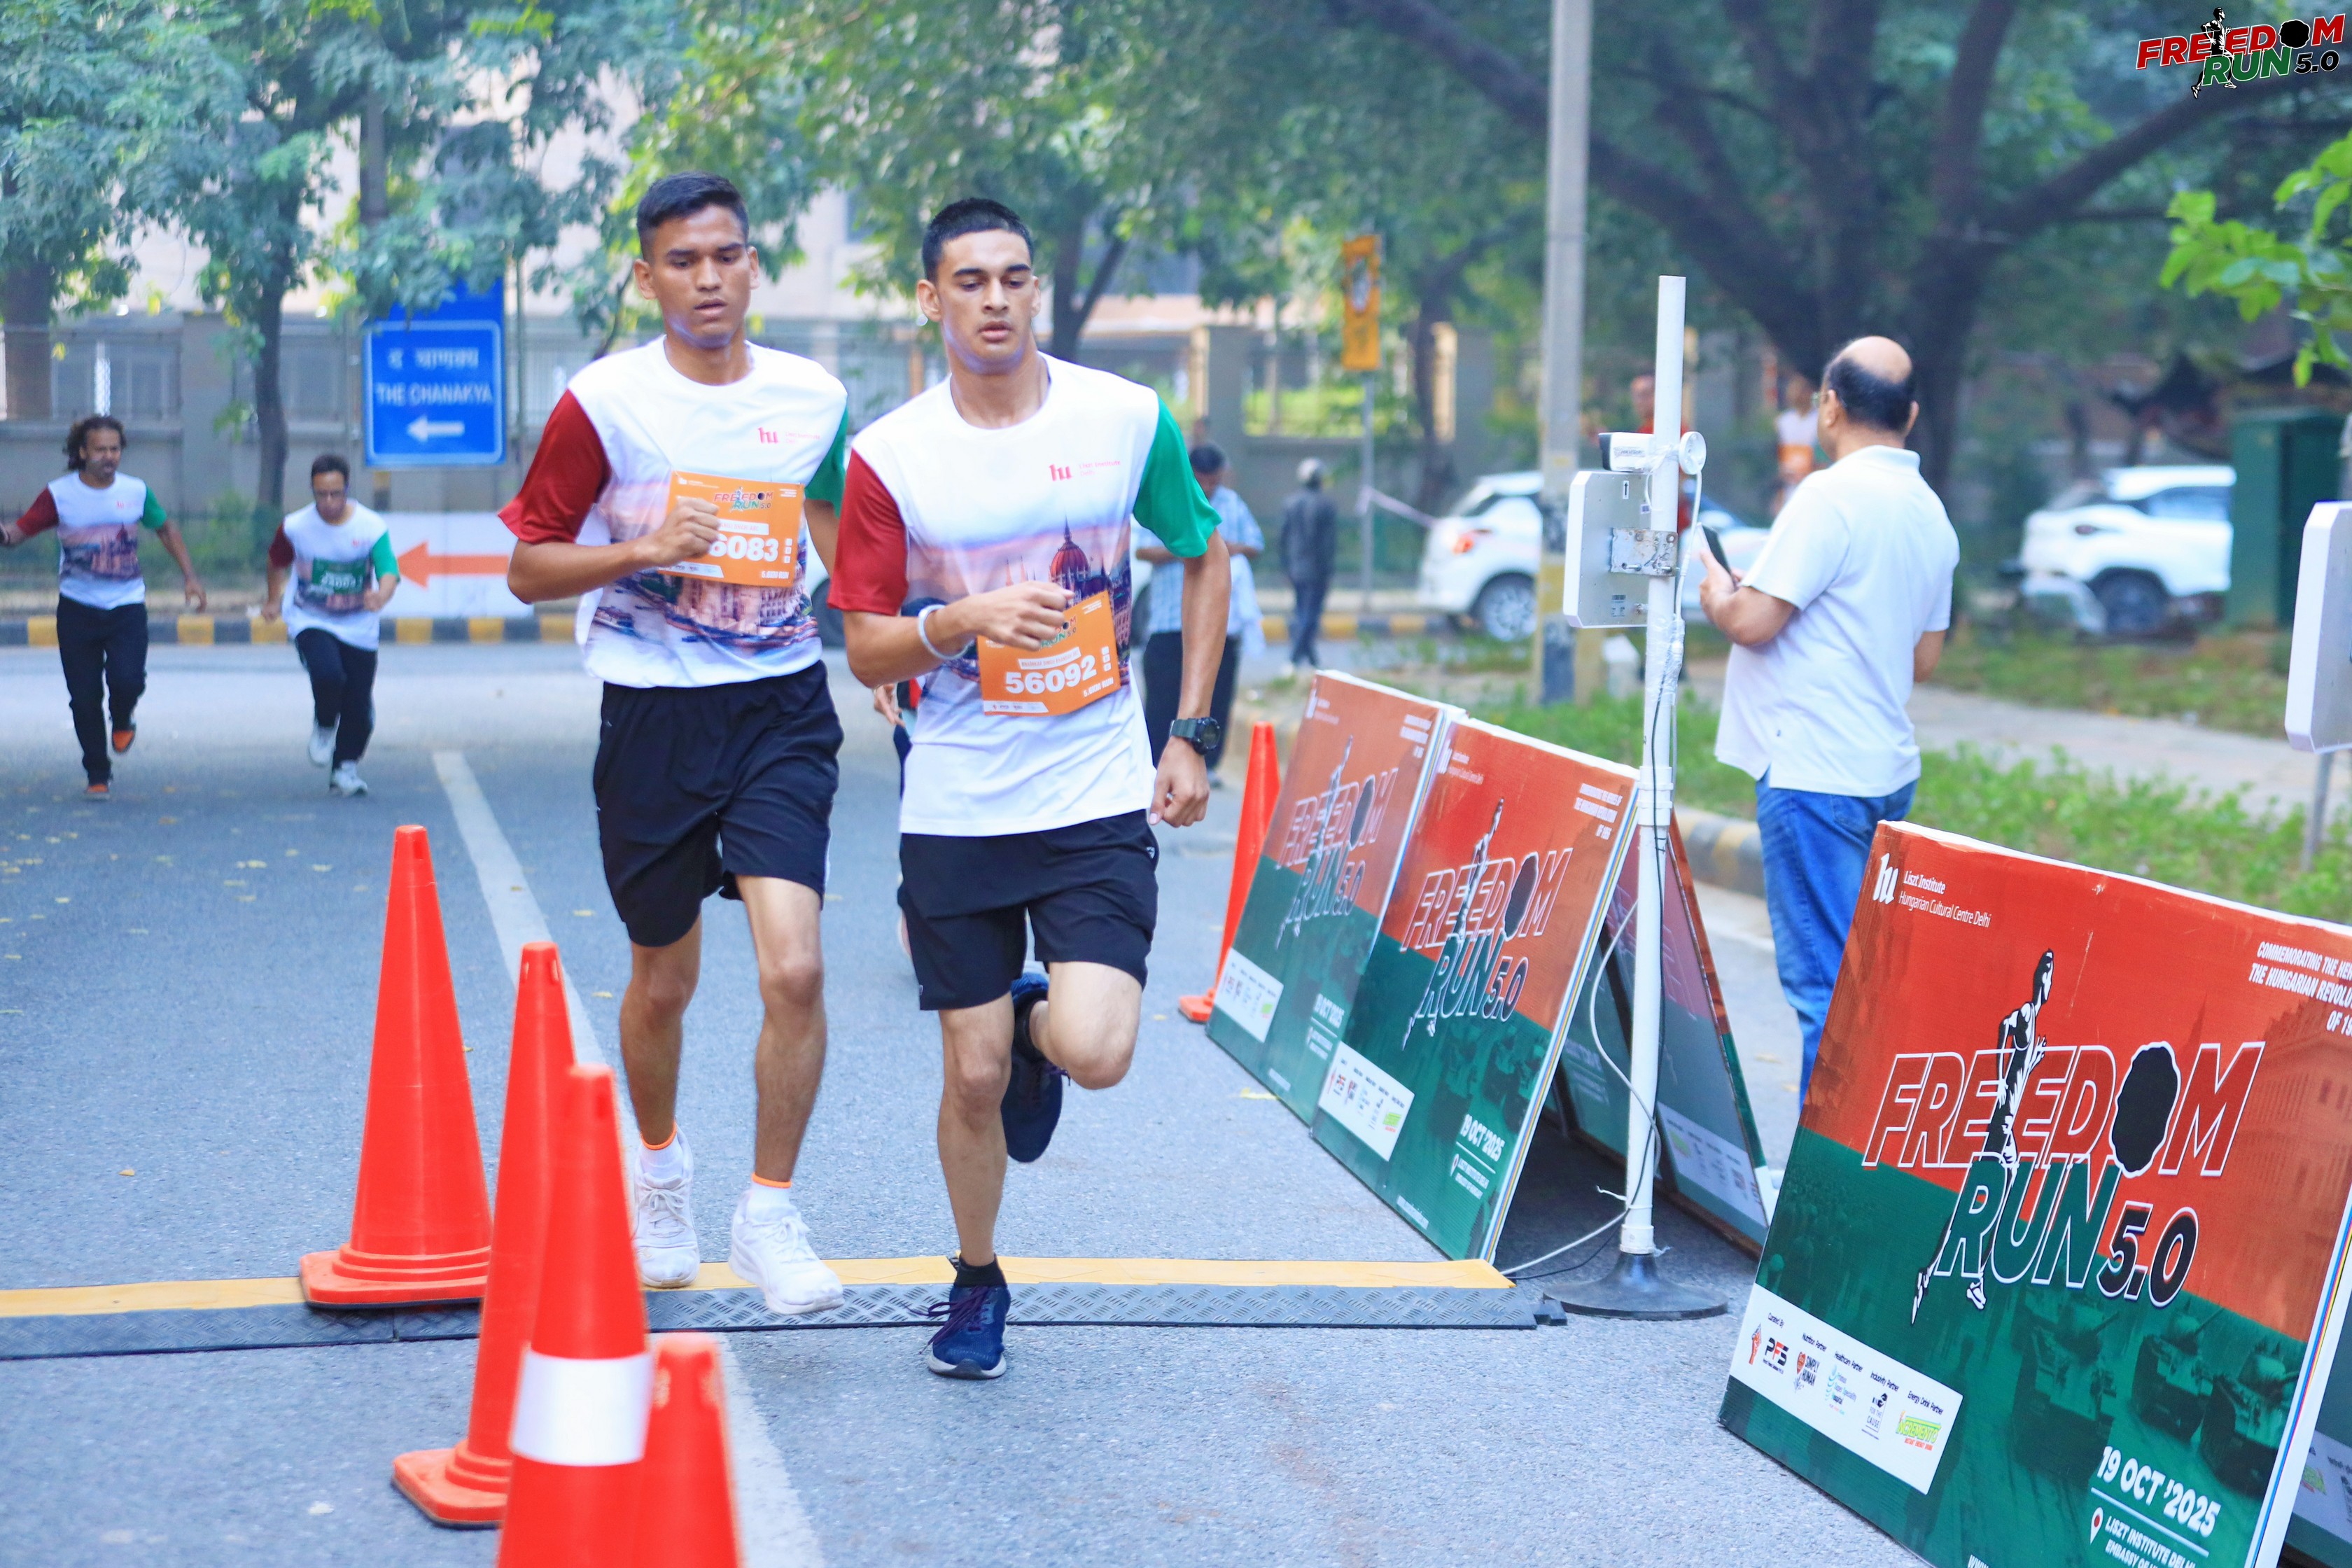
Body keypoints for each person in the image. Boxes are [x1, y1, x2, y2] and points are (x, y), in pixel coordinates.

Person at [832, 197, 1228, 1381]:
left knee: (1097, 1049)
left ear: (1035, 290)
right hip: (958, 801)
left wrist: (1190, 732)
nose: (995, 299)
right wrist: (962, 619)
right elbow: (865, 646)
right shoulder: (891, 456)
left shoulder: (1124, 418)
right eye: (970, 280)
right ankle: (976, 1278)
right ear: (931, 299)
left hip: (1093, 790)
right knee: (971, 1075)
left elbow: (1202, 554)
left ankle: (1034, 1032)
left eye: (1014, 277)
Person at [500, 172, 853, 1316]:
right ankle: (659, 1171)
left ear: (754, 265)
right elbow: (528, 568)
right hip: (652, 712)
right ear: (647, 276)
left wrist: (885, 638)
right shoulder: (604, 403)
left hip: (780, 707)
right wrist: (644, 549)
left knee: (795, 967)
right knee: (665, 980)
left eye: (727, 256)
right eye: (684, 261)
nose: (710, 279)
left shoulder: (813, 398)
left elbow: (838, 529)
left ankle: (769, 1213)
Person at [1698, 336, 1958, 1102]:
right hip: (1885, 771)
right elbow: (1924, 658)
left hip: (1815, 772)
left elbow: (1752, 623)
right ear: (1910, 415)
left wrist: (1718, 592)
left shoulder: (1826, 497)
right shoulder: (1931, 513)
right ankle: (1855, 1149)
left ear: (1831, 407)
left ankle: (1825, 1172)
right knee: (1857, 981)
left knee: (1827, 991)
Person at [2, 416, 206, 798]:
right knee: (84, 697)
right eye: (100, 450)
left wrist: (190, 577)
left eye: (115, 449)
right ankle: (97, 771)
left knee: (128, 680)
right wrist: (4, 534)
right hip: (77, 608)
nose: (109, 457)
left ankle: (123, 716)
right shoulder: (60, 494)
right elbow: (21, 530)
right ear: (82, 452)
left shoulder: (136, 491)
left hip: (126, 605)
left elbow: (166, 529)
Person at [261, 454, 398, 797]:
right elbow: (276, 561)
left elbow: (389, 569)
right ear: (313, 491)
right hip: (311, 618)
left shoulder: (370, 526)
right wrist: (273, 599)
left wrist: (381, 596)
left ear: (347, 489)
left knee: (359, 707)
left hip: (358, 625)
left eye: (336, 493)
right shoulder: (296, 526)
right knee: (328, 675)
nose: (329, 502)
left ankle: (345, 768)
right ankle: (324, 724)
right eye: (321, 494)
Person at [1140, 441, 1260, 776]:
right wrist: (1189, 547)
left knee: (1217, 695)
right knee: (1163, 699)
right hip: (1168, 623)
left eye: (1213, 481)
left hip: (1217, 623)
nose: (1207, 488)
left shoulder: (1232, 504)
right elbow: (1142, 549)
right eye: (1201, 480)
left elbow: (1255, 544)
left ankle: (1208, 765)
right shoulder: (1166, 500)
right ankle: (1155, 765)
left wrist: (1222, 550)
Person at [1278, 457, 1336, 670]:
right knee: (1310, 615)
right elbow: (1328, 544)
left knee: (1302, 612)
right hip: (1317, 570)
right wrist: (1328, 571)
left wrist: (1285, 566)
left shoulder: (1290, 503)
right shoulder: (1326, 506)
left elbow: (1282, 539)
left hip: (1296, 568)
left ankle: (1311, 660)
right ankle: (1294, 659)